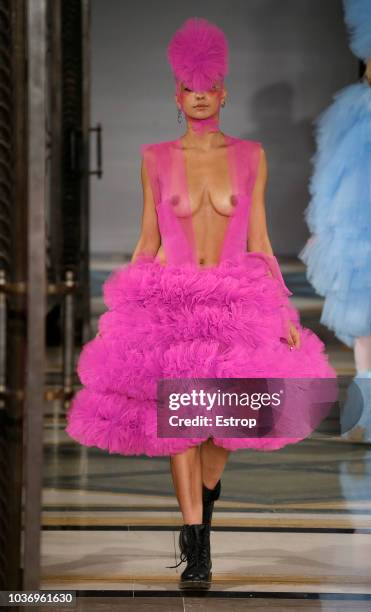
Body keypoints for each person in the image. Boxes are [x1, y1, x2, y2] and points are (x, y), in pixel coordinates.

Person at [65, 17, 337, 591]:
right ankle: (197, 546)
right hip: (172, 301)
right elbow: (148, 239)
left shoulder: (251, 156)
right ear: (177, 94)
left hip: (235, 303)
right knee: (183, 428)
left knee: (220, 435)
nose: (199, 96)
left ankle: (204, 509)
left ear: (222, 93)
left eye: (208, 87)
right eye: (190, 88)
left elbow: (260, 241)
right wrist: (125, 309)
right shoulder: (155, 157)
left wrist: (283, 310)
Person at [299, 0, 371, 450]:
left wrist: (326, 224)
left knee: (368, 319)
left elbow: (330, 175)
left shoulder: (351, 110)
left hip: (364, 235)